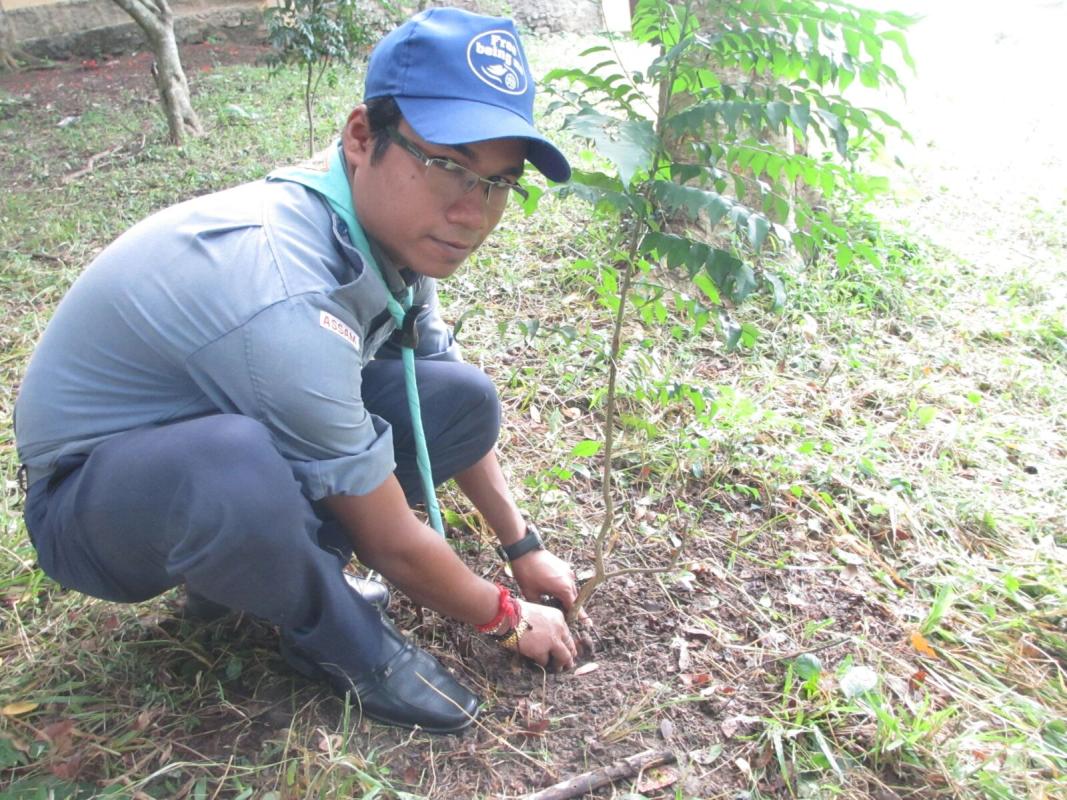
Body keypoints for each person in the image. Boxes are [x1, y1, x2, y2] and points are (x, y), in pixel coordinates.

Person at [14, 7, 584, 735]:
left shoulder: (391, 238)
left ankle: (251, 570)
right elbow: (387, 538)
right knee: (228, 468)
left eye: (500, 183)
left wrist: (522, 546)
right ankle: (343, 641)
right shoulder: (287, 288)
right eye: (447, 166)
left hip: (217, 439)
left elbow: (428, 395)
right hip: (94, 504)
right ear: (359, 137)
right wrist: (504, 615)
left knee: (459, 400)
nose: (473, 212)